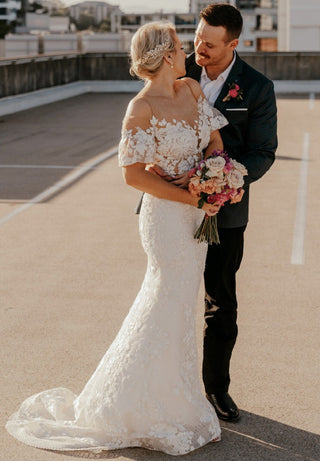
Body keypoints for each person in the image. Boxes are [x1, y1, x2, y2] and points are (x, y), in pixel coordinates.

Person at [6, 22, 232, 456]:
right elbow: (132, 175)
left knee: (184, 303)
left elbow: (215, 140)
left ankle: (178, 400)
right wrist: (190, 194)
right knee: (166, 296)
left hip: (196, 216)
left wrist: (213, 176)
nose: (187, 54)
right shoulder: (141, 108)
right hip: (166, 219)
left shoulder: (191, 92)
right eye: (182, 47)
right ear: (167, 55)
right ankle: (129, 405)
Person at [185, 4, 278, 421]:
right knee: (169, 297)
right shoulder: (176, 70)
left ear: (234, 44)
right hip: (172, 207)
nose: (198, 48)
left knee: (221, 302)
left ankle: (216, 389)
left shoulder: (257, 87)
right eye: (197, 38)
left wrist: (230, 181)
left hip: (225, 213)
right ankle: (172, 387)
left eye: (209, 43)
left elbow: (262, 152)